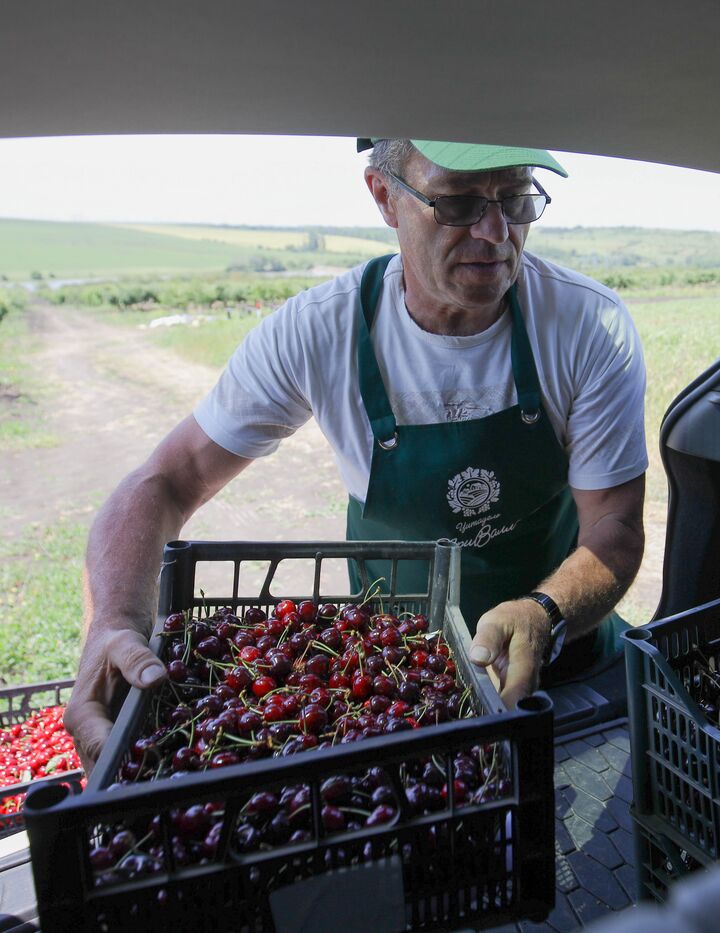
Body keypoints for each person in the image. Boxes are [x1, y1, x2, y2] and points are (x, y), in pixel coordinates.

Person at [64, 139, 648, 767]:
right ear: (384, 197)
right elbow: (167, 481)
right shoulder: (320, 330)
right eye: (458, 204)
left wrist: (546, 614)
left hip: (567, 667)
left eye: (515, 199)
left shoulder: (587, 325)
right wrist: (115, 621)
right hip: (404, 686)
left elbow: (612, 527)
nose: (495, 231)